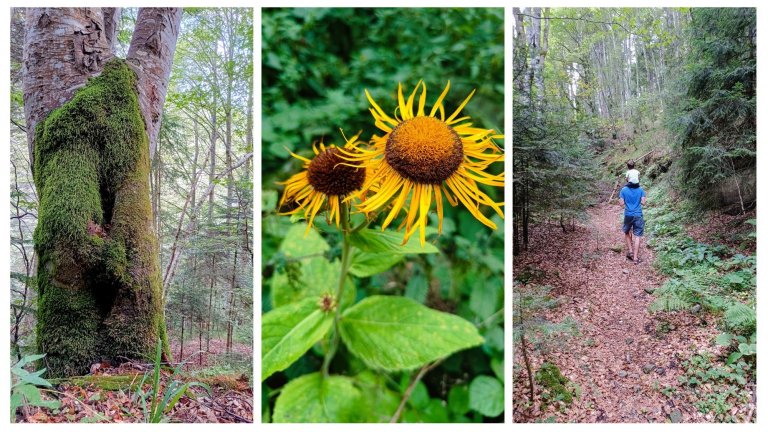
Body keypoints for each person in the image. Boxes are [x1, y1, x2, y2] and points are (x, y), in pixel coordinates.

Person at [618, 182, 647, 264]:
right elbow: (643, 203)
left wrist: (628, 202)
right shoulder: (641, 190)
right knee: (637, 235)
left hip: (628, 214)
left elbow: (621, 204)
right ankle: (635, 258)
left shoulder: (623, 190)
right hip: (638, 214)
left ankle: (630, 251)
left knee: (626, 232)